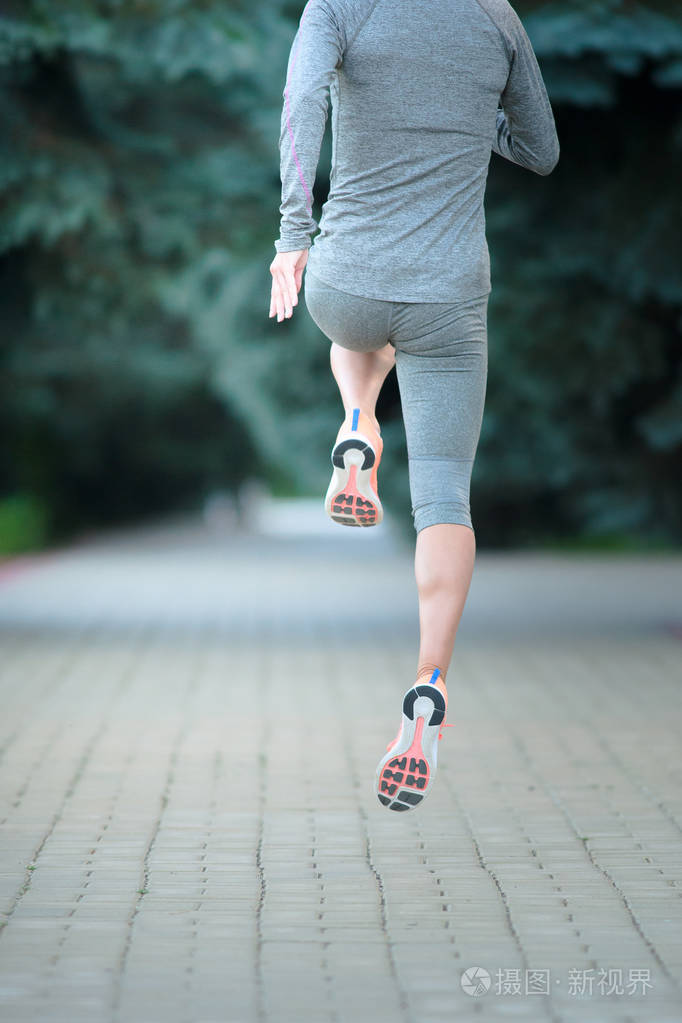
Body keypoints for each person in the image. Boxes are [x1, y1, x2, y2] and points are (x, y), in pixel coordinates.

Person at [268, 0, 559, 812]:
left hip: (344, 282)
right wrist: (468, 129)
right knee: (443, 496)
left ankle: (358, 419)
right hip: (449, 302)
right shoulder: (497, 18)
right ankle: (428, 688)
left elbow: (300, 103)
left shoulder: (338, 7)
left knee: (358, 330)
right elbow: (542, 150)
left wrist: (295, 235)